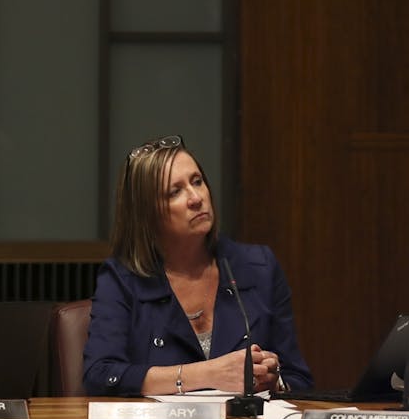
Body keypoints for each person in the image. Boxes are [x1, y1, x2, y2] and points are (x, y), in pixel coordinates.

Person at [83, 135, 312, 396]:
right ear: (147, 214)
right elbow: (100, 374)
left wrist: (274, 380)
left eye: (197, 181)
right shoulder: (122, 278)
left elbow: (298, 378)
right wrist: (207, 374)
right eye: (174, 192)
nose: (196, 198)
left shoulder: (258, 266)